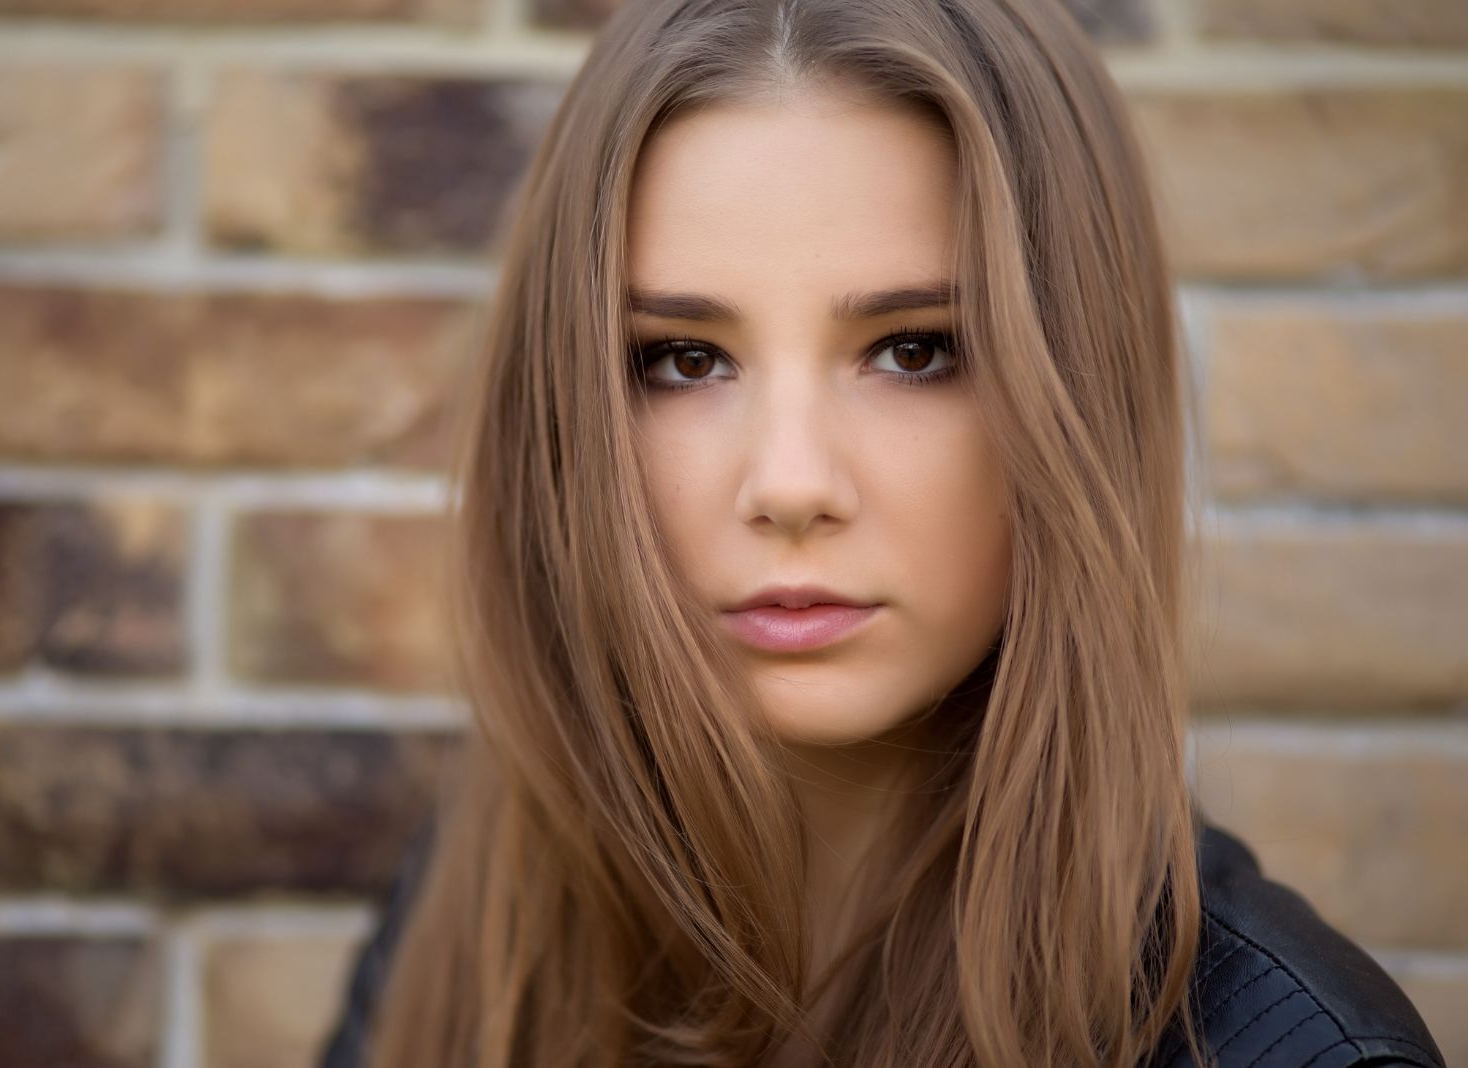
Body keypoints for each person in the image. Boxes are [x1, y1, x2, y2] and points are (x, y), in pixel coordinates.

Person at [317, 1, 1445, 1065]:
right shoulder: (475, 917)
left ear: (1075, 394)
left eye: (913, 350)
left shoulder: (1290, 1050)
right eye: (681, 358)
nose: (791, 484)